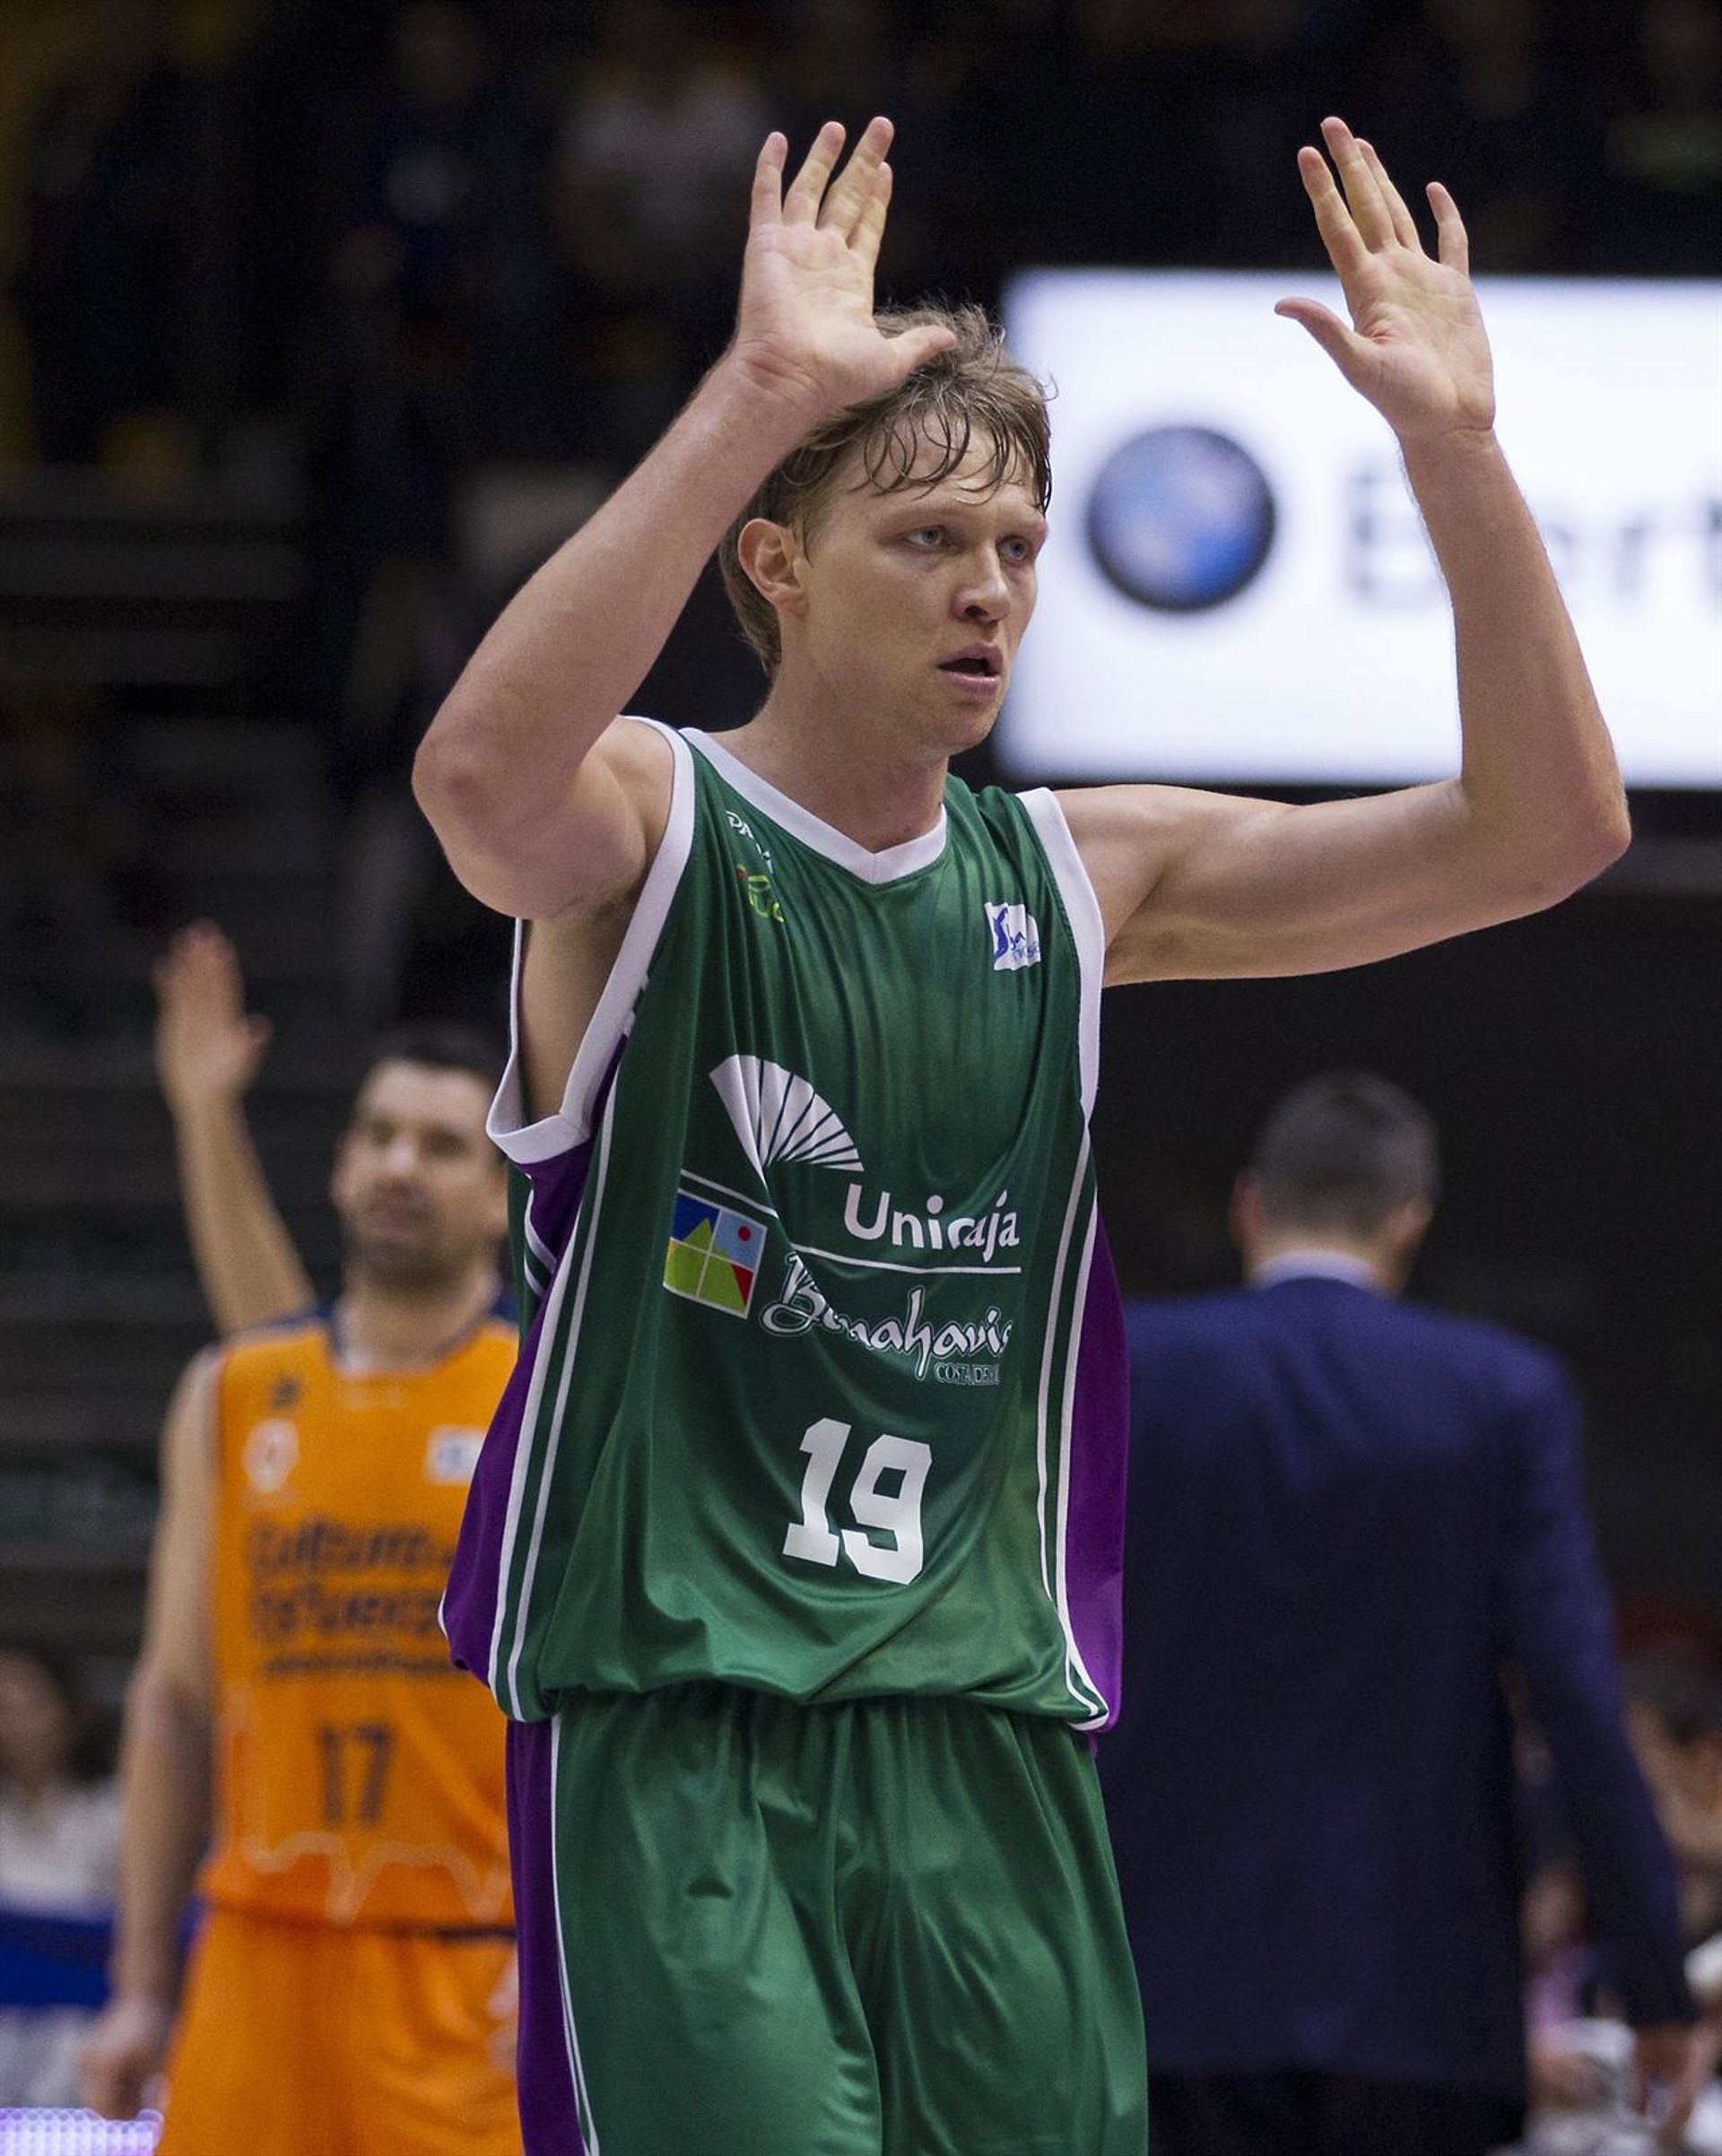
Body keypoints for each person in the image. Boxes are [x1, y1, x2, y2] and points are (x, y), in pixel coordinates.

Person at [413, 113, 1634, 2154]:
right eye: (924, 540)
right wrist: (760, 394)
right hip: (689, 1725)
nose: (988, 587)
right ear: (777, 565)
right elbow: (474, 781)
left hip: (987, 1734)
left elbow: (1546, 833)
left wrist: (1454, 449)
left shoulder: (1079, 874)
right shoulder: (651, 826)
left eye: (1017, 545)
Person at [1102, 1072, 1707, 2156]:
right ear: (1409, 1220)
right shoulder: (1501, 1394)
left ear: (1250, 1203)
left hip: (1154, 1987)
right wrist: (1657, 1983)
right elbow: (1575, 1690)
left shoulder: (1130, 1365)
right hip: (1414, 2003)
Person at [82, 1008, 521, 2156]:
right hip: (254, 1951)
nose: (399, 1164)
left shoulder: (541, 1395)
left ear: (501, 1196)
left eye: (442, 1145)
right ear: (338, 1164)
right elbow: (173, 1702)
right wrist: (141, 1985)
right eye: (378, 1134)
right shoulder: (236, 1389)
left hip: (469, 1961)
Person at [0, 1646, 120, 2107]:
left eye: (29, 1705)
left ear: (68, 1712)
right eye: (3, 1708)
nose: (13, 1724)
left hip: (87, 2028)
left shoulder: (114, 1814)